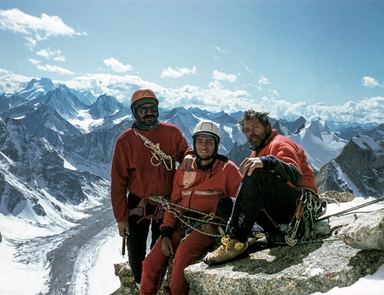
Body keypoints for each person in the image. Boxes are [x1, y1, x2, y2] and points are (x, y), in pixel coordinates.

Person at [140, 120, 242, 295]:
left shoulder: (228, 170)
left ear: (216, 145)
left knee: (183, 256)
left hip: (207, 225)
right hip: (181, 223)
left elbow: (239, 206)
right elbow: (174, 204)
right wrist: (165, 233)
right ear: (194, 144)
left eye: (209, 142)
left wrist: (219, 228)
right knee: (151, 262)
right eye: (200, 141)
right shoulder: (184, 169)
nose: (204, 146)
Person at [203, 110, 318, 265]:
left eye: (255, 127)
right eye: (247, 130)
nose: (251, 133)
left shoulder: (279, 143)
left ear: (267, 126)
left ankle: (236, 241)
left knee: (256, 173)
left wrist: (267, 162)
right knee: (226, 203)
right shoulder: (257, 152)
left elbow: (295, 175)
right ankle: (254, 235)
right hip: (277, 215)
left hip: (297, 211)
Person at [110, 88, 190, 288]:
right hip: (138, 201)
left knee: (161, 249)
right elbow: (118, 181)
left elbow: (185, 151)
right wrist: (121, 217)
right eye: (143, 109)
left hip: (167, 201)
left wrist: (189, 155)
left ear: (157, 109)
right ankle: (140, 284)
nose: (148, 112)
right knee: (135, 249)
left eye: (152, 108)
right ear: (135, 112)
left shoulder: (172, 133)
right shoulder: (126, 140)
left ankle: (153, 285)